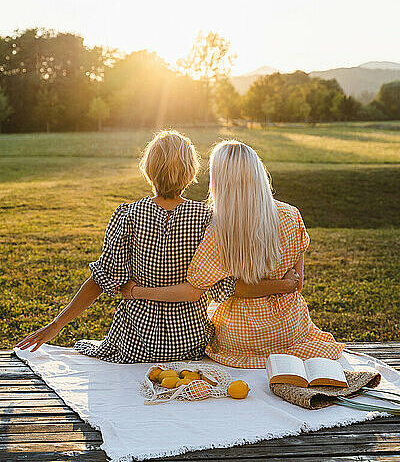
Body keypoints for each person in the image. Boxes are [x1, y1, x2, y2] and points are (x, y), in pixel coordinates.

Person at [16, 130, 241, 362]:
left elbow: (100, 280)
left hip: (136, 343)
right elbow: (220, 286)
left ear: (148, 170)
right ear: (191, 171)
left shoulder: (129, 216)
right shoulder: (208, 219)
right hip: (188, 342)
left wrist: (56, 325)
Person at [126, 140, 345, 368]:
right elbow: (297, 284)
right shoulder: (291, 215)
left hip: (240, 338)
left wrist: (135, 291)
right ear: (258, 172)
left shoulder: (218, 230)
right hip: (289, 330)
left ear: (219, 181)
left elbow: (203, 290)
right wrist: (283, 286)